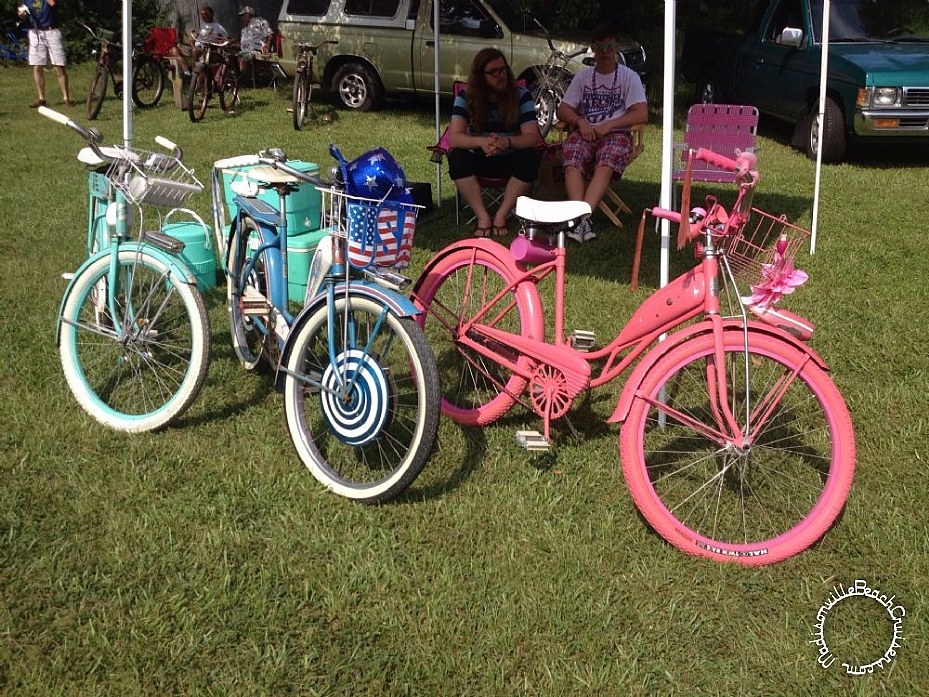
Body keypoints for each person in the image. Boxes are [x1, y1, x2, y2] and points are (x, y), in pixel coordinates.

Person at [556, 21, 648, 242]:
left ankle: (581, 220)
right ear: (593, 49)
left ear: (616, 48)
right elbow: (562, 110)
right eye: (600, 47)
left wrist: (610, 124)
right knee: (572, 156)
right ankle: (580, 219)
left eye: (610, 47)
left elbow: (642, 114)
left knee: (606, 160)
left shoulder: (629, 77)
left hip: (617, 134)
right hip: (587, 133)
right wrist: (580, 122)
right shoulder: (583, 77)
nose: (605, 52)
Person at [447, 48, 542, 237]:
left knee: (532, 155)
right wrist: (481, 142)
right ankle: (482, 216)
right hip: (480, 159)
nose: (502, 75)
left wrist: (507, 142)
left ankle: (501, 214)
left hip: (511, 159)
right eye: (494, 72)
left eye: (504, 69)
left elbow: (532, 137)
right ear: (481, 77)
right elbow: (454, 137)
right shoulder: (465, 97)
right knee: (456, 156)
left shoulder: (521, 95)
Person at [19, 0, 71, 108]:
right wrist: (22, 14)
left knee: (59, 65)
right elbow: (22, 12)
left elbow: (52, 3)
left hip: (51, 31)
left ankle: (66, 98)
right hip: (35, 32)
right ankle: (41, 98)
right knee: (37, 66)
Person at [237, 5, 273, 73]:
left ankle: (243, 78)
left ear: (249, 15)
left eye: (243, 15)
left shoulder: (261, 22)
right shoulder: (244, 30)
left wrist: (267, 46)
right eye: (241, 16)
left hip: (256, 51)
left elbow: (269, 35)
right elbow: (244, 44)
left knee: (242, 59)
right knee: (229, 56)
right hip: (244, 51)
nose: (242, 18)